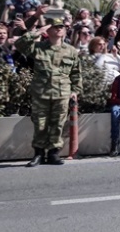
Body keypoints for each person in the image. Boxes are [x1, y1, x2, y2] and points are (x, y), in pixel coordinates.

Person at [15, 17, 82, 167]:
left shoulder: (71, 51)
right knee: (40, 124)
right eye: (55, 26)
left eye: (61, 26)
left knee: (58, 124)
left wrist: (75, 91)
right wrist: (37, 31)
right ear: (48, 30)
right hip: (41, 93)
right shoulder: (38, 48)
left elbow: (76, 73)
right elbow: (19, 44)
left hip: (62, 92)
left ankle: (53, 153)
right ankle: (38, 154)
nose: (59, 29)